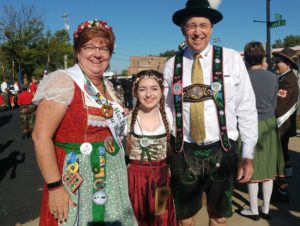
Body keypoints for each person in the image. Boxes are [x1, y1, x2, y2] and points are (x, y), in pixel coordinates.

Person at [32, 19, 137, 226]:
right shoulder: (63, 81)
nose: (97, 54)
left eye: (104, 48)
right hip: (76, 178)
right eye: (90, 47)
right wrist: (55, 187)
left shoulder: (106, 86)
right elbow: (40, 136)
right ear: (77, 51)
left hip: (110, 176)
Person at [163, 1, 258, 225]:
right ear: (183, 29)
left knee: (219, 217)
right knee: (185, 218)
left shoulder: (232, 58)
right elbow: (166, 107)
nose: (198, 32)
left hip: (222, 148)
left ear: (212, 28)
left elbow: (246, 107)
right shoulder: (171, 64)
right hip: (184, 149)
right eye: (192, 26)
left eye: (203, 25)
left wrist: (248, 154)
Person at [237, 41, 285, 221]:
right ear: (263, 57)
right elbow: (274, 104)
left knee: (251, 168)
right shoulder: (273, 77)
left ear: (246, 58)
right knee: (268, 170)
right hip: (268, 123)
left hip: (248, 123)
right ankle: (265, 208)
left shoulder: (243, 77)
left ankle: (253, 210)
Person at [125, 70, 177, 225]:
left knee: (161, 217)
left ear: (162, 91)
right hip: (135, 180)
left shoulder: (169, 116)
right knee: (137, 217)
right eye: (142, 89)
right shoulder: (126, 119)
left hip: (161, 179)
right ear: (135, 92)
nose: (148, 94)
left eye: (154, 88)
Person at [271, 47, 299, 203]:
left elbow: (279, 106)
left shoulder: (288, 81)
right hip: (282, 126)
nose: (276, 63)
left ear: (288, 64)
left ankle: (283, 190)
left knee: (282, 157)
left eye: (279, 61)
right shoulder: (284, 78)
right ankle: (281, 186)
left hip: (282, 126)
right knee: (281, 156)